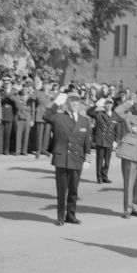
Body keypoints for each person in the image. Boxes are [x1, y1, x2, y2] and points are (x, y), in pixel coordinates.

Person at [43, 91, 92, 226]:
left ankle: (71, 215)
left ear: (80, 103)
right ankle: (60, 217)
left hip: (77, 158)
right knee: (61, 190)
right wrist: (56, 103)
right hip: (62, 158)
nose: (74, 103)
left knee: (74, 190)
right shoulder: (59, 117)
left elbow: (87, 142)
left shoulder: (85, 120)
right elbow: (46, 115)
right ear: (66, 103)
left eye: (76, 100)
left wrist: (87, 158)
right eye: (71, 100)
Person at [87, 97, 121, 184]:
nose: (108, 105)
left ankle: (105, 175)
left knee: (107, 161)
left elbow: (118, 130)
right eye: (107, 103)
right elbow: (89, 112)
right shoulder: (99, 114)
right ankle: (99, 177)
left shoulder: (115, 116)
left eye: (110, 104)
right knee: (99, 160)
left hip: (110, 141)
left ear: (112, 105)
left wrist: (116, 141)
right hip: (100, 140)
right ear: (104, 105)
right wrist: (96, 104)